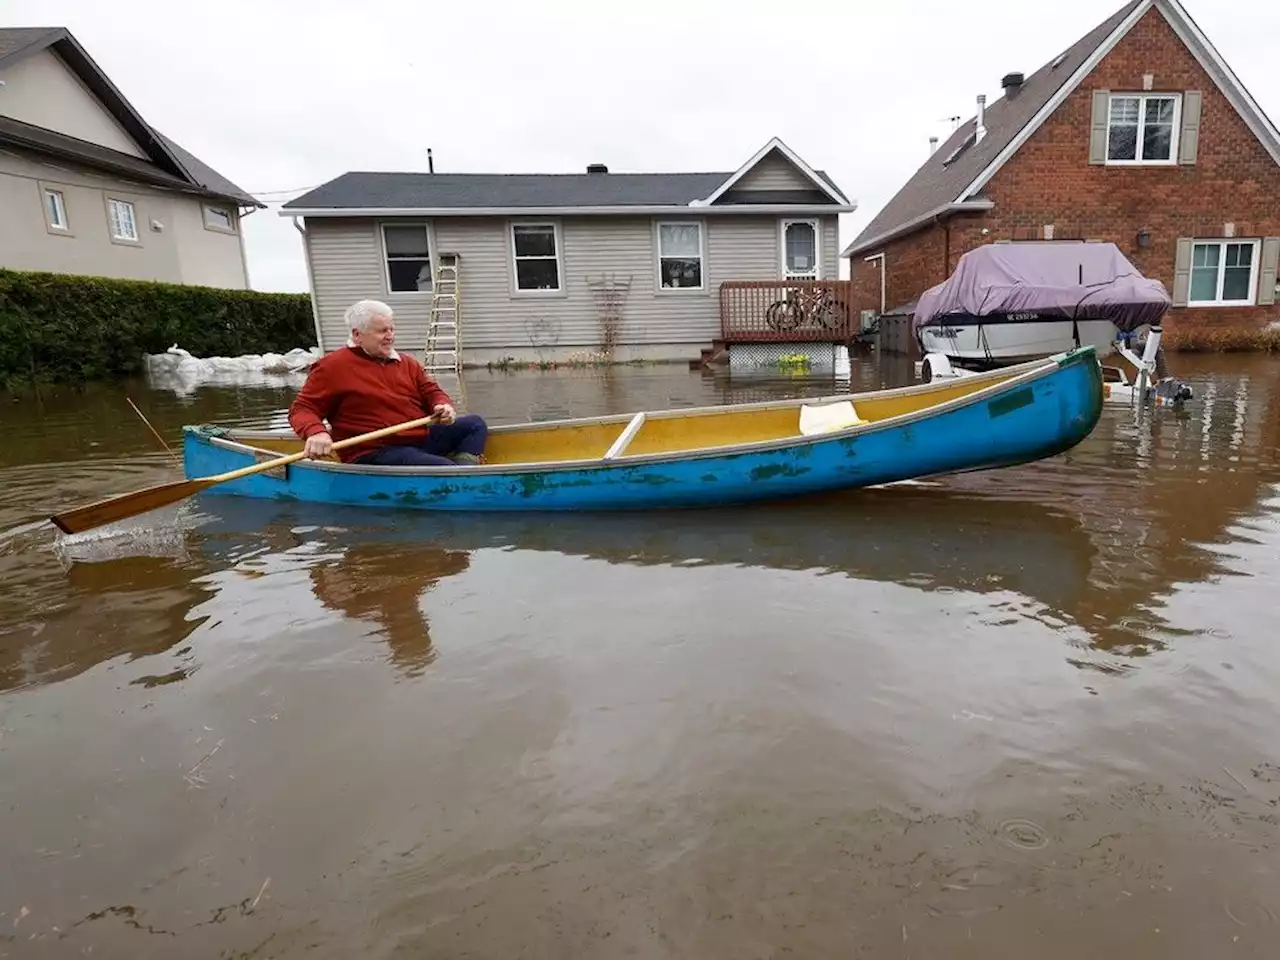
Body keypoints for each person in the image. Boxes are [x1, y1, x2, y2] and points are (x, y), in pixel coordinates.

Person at [288, 299, 488, 466]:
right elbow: (302, 409)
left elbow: (431, 391)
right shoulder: (331, 367)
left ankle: (465, 471)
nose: (390, 336)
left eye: (392, 329)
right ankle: (459, 474)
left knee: (474, 424)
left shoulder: (407, 363)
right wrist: (316, 433)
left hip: (418, 439)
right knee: (444, 468)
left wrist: (441, 405)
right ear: (358, 335)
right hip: (374, 451)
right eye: (382, 331)